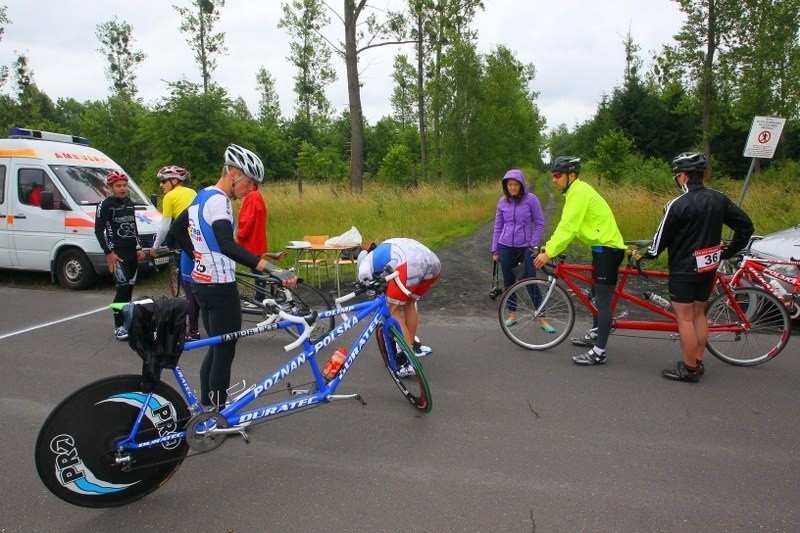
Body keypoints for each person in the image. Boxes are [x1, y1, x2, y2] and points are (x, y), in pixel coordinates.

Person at [168, 144, 297, 409]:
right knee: (225, 351)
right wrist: (271, 269)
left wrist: (197, 258)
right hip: (219, 287)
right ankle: (218, 412)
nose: (251, 190)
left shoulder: (201, 196)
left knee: (217, 347)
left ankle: (207, 406)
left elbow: (177, 231)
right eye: (250, 182)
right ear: (234, 173)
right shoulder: (220, 201)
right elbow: (227, 244)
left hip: (202, 284)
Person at [644, 152, 754, 383]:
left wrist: (647, 255)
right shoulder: (718, 199)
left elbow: (660, 239)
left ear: (683, 177)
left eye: (677, 175)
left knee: (684, 319)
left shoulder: (676, 204)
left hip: (684, 268)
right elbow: (745, 226)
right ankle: (698, 360)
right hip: (708, 266)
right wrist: (728, 251)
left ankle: (689, 368)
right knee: (698, 315)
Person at [534, 156, 627, 365]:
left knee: (603, 301)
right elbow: (565, 224)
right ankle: (596, 334)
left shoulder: (579, 192)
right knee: (596, 295)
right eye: (553, 176)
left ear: (571, 175)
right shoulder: (576, 191)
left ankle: (599, 352)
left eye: (558, 176)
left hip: (608, 250)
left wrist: (548, 253)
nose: (554, 180)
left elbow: (569, 227)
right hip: (601, 248)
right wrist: (549, 246)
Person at [357, 238, 441, 376]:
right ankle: (411, 346)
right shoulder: (384, 248)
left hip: (410, 263)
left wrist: (371, 292)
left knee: (392, 310)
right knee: (409, 303)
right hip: (433, 262)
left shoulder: (366, 262)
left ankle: (408, 358)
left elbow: (366, 278)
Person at [490, 168, 551, 331]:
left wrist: (533, 244)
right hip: (505, 246)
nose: (512, 187)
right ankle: (512, 315)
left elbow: (539, 223)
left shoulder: (531, 200)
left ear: (521, 184)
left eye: (515, 184)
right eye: (509, 184)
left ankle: (543, 317)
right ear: (506, 186)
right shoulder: (503, 202)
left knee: (530, 280)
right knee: (509, 282)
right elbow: (498, 226)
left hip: (526, 247)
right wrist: (494, 249)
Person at [149, 165, 201, 340]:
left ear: (174, 181)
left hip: (186, 244)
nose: (161, 185)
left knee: (188, 288)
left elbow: (164, 227)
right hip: (200, 242)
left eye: (164, 181)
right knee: (201, 283)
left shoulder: (170, 196)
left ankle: (193, 331)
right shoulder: (193, 192)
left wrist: (155, 247)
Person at [94, 170, 146, 340]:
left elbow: (133, 226)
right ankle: (118, 326)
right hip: (117, 254)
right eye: (118, 186)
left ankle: (128, 323)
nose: (123, 189)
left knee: (129, 290)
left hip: (131, 252)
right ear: (110, 188)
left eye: (124, 185)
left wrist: (139, 248)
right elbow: (98, 230)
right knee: (122, 289)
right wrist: (108, 253)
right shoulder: (105, 205)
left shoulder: (130, 203)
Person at [236, 178, 268, 305]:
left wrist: (239, 235)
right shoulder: (256, 195)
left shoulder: (252, 196)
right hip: (257, 239)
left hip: (251, 240)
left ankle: (260, 298)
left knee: (256, 270)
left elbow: (247, 220)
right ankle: (260, 296)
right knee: (256, 269)